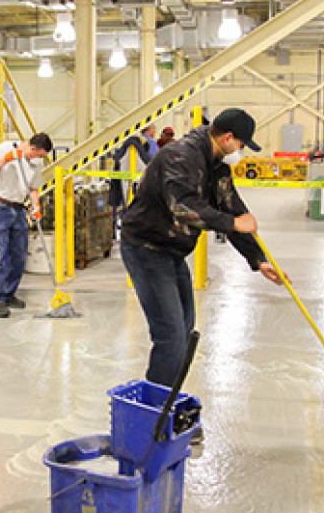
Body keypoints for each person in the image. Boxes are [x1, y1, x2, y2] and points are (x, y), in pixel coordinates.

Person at [120, 109, 284, 385]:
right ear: (229, 138)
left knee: (184, 331)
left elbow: (230, 207)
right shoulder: (181, 156)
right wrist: (233, 224)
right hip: (146, 248)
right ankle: (154, 413)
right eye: (243, 144)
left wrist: (258, 259)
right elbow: (183, 207)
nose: (242, 151)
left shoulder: (217, 163)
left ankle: (168, 402)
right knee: (170, 334)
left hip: (171, 251)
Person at [0, 133, 53, 318]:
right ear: (32, 148)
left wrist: (36, 206)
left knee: (19, 254)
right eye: (39, 155)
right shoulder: (6, 148)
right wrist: (6, 160)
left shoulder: (35, 162)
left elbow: (34, 187)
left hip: (19, 208)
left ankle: (9, 293)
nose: (39, 159)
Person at [107, 125, 159, 220]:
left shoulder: (124, 153)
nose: (155, 130)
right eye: (154, 128)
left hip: (126, 200)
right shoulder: (143, 153)